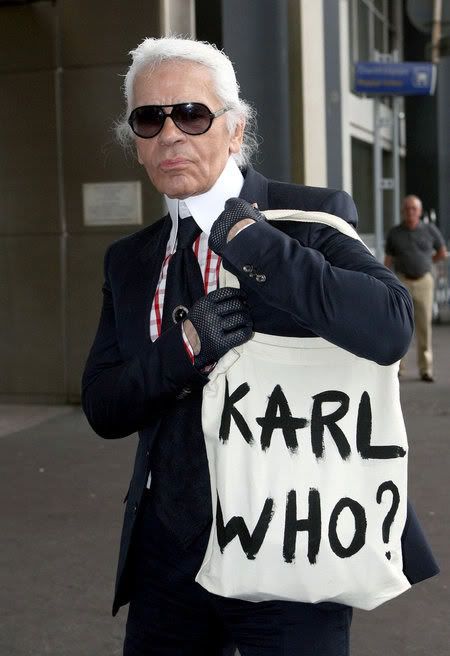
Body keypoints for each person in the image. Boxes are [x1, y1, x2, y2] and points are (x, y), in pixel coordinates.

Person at [82, 37, 438, 656]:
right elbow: (105, 405)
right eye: (149, 118)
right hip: (170, 561)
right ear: (136, 142)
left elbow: (389, 326)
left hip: (296, 550)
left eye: (191, 114)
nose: (171, 135)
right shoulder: (130, 262)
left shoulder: (312, 218)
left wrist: (253, 242)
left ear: (235, 127)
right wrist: (183, 351)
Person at [385, 195, 448, 382]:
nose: (410, 211)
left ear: (419, 212)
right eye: (407, 208)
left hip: (424, 282)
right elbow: (388, 260)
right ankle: (399, 367)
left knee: (424, 326)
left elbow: (442, 252)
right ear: (402, 211)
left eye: (414, 208)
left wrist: (428, 263)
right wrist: (384, 279)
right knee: (400, 325)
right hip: (402, 281)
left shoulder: (429, 230)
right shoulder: (395, 233)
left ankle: (425, 369)